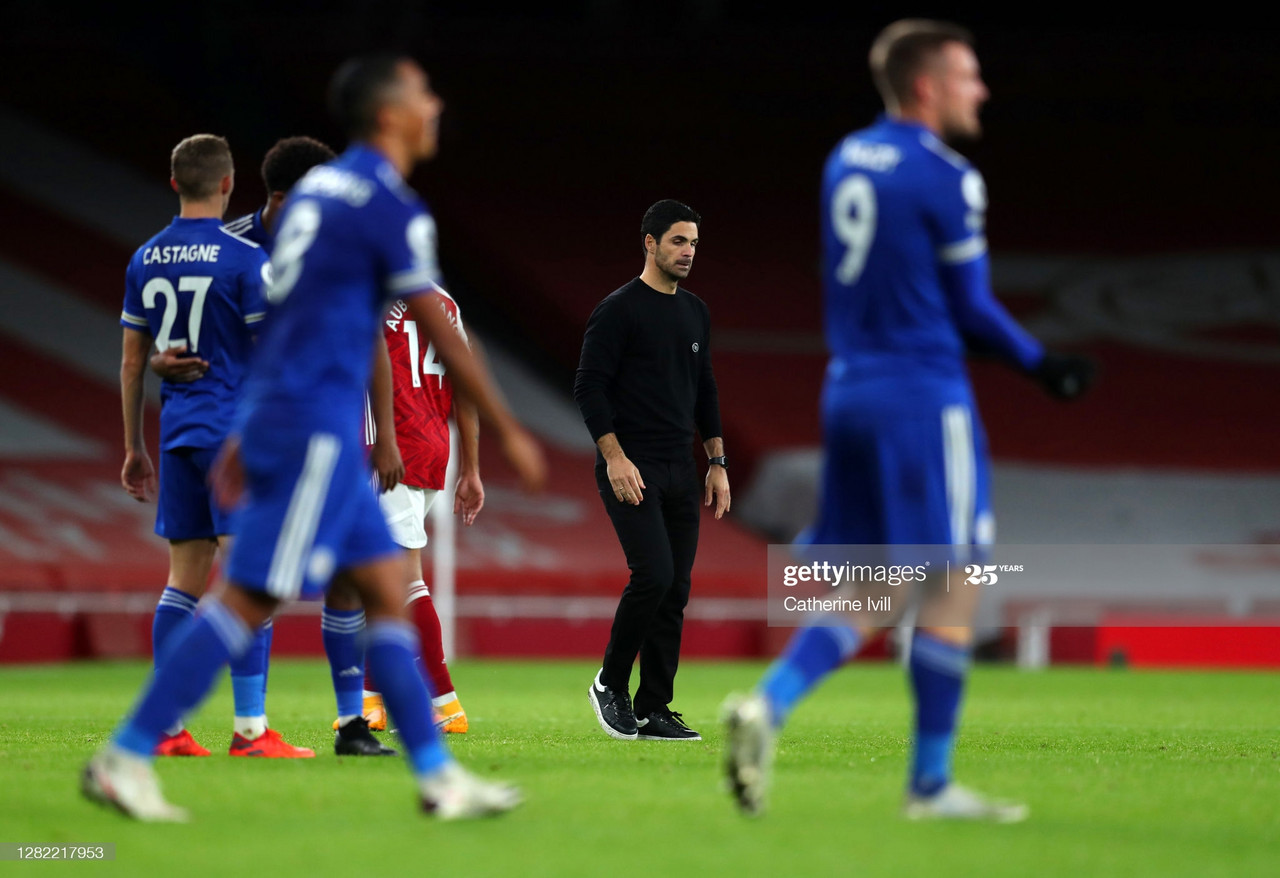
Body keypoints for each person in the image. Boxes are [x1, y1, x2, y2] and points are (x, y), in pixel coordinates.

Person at [83, 52, 546, 822]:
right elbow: (435, 319)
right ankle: (127, 755)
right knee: (245, 600)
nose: (436, 105)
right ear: (390, 114)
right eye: (425, 93)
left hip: (294, 422)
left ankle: (437, 776)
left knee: (387, 599)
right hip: (316, 434)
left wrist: (247, 427)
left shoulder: (314, 200)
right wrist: (506, 428)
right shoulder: (383, 205)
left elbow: (281, 319)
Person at [722, 19, 1095, 821]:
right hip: (923, 397)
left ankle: (770, 705)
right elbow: (970, 307)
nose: (981, 90)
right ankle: (930, 785)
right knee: (956, 580)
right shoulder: (948, 176)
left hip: (848, 390)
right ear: (927, 86)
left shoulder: (846, 157)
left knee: (879, 583)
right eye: (969, 75)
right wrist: (1043, 363)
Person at [119, 133, 312, 759]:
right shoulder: (240, 261)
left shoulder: (145, 257)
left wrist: (133, 448)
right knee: (253, 576)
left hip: (175, 433)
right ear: (229, 185)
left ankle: (168, 729)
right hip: (233, 437)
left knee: (184, 580)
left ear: (175, 183)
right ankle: (251, 731)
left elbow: (131, 363)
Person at [574, 199, 730, 742]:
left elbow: (704, 389)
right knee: (654, 575)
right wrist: (614, 457)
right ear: (649, 243)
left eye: (693, 243)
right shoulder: (618, 309)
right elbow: (588, 386)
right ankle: (610, 683)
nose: (688, 252)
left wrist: (716, 461)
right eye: (678, 242)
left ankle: (656, 706)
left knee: (676, 589)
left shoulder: (696, 312)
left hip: (681, 469)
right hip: (631, 466)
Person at [349, 286, 480, 737]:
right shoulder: (446, 302)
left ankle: (445, 702)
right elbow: (465, 384)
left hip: (391, 450)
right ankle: (371, 702)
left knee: (402, 578)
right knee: (376, 575)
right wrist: (472, 469)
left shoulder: (372, 290)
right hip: (431, 449)